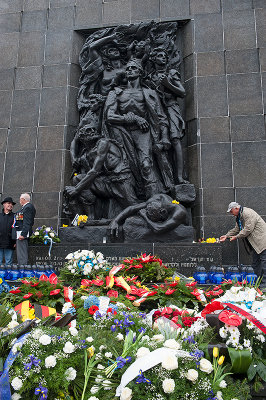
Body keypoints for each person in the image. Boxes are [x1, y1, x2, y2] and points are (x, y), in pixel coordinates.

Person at [106, 58, 174, 198]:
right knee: (127, 167)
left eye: (134, 68)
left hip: (143, 132)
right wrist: (132, 118)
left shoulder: (149, 93)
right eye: (128, 68)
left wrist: (165, 137)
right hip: (121, 132)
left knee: (146, 165)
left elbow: (161, 117)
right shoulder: (116, 93)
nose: (130, 70)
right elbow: (109, 116)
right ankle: (133, 199)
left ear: (140, 72)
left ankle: (154, 200)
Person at [220, 202, 266, 286]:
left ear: (236, 208)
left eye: (231, 211)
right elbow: (237, 229)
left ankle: (264, 285)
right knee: (256, 264)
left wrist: (236, 237)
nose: (231, 214)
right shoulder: (239, 217)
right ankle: (260, 283)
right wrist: (226, 236)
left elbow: (248, 229)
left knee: (264, 264)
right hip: (256, 245)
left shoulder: (247, 213)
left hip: (262, 242)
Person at [108, 193, 187, 237]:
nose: (150, 217)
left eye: (152, 216)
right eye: (148, 214)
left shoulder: (180, 213)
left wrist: (145, 216)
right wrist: (116, 220)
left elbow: (158, 229)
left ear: (162, 212)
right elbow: (133, 208)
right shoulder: (158, 198)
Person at [15, 193, 36, 266]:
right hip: (21, 232)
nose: (19, 201)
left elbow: (27, 222)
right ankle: (22, 267)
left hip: (22, 233)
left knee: (22, 253)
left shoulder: (28, 207)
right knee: (20, 252)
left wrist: (23, 234)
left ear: (23, 199)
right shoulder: (25, 207)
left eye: (20, 199)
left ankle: (22, 269)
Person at [0, 197, 16, 265]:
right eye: (9, 203)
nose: (11, 205)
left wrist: (15, 241)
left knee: (8, 262)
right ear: (4, 204)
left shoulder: (15, 216)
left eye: (12, 204)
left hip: (10, 242)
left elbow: (17, 229)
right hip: (0, 242)